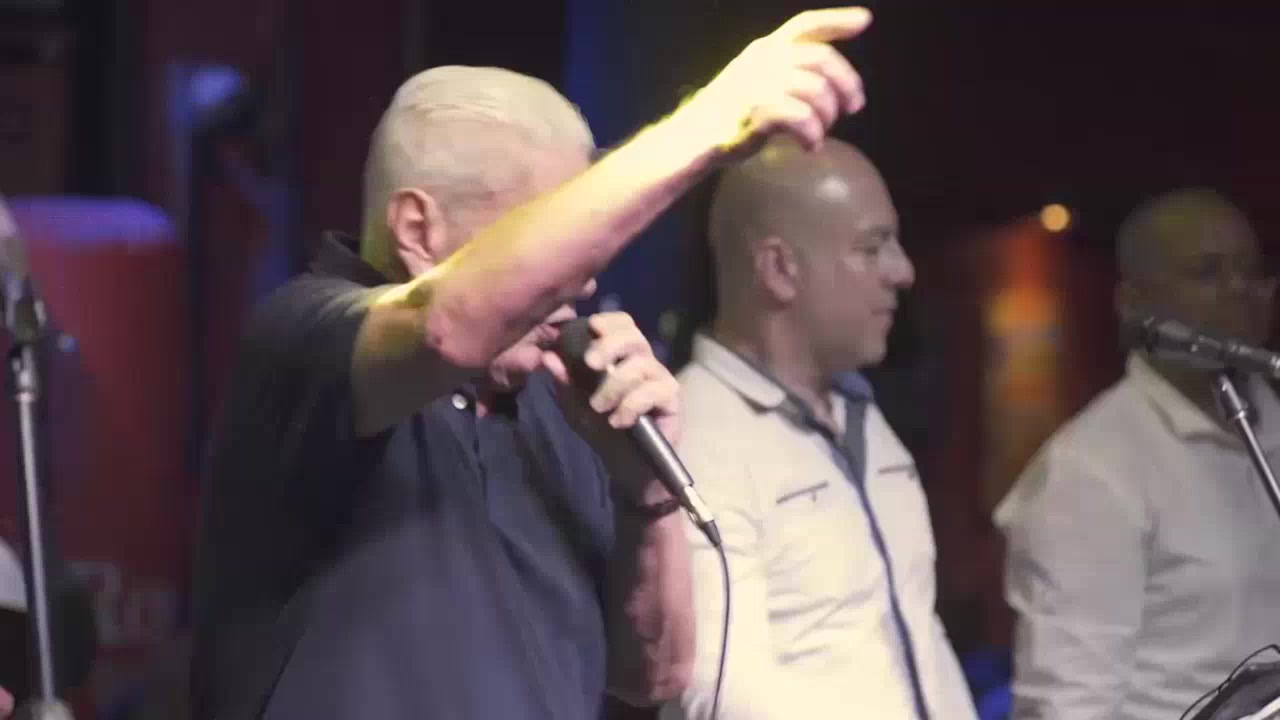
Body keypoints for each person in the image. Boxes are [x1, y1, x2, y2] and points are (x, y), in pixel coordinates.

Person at [189, 8, 878, 720]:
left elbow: (655, 675)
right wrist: (705, 126)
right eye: (557, 236)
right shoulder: (305, 338)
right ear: (419, 230)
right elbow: (442, 328)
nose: (581, 276)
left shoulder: (560, 402)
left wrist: (646, 500)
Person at [663, 137, 977, 719]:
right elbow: (721, 696)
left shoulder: (862, 414)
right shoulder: (697, 436)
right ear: (780, 269)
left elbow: (917, 626)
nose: (903, 271)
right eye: (872, 247)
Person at [996, 188, 1280, 719]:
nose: (1239, 291)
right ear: (1133, 303)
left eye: (1252, 271)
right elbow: (1069, 703)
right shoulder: (1091, 468)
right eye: (1208, 273)